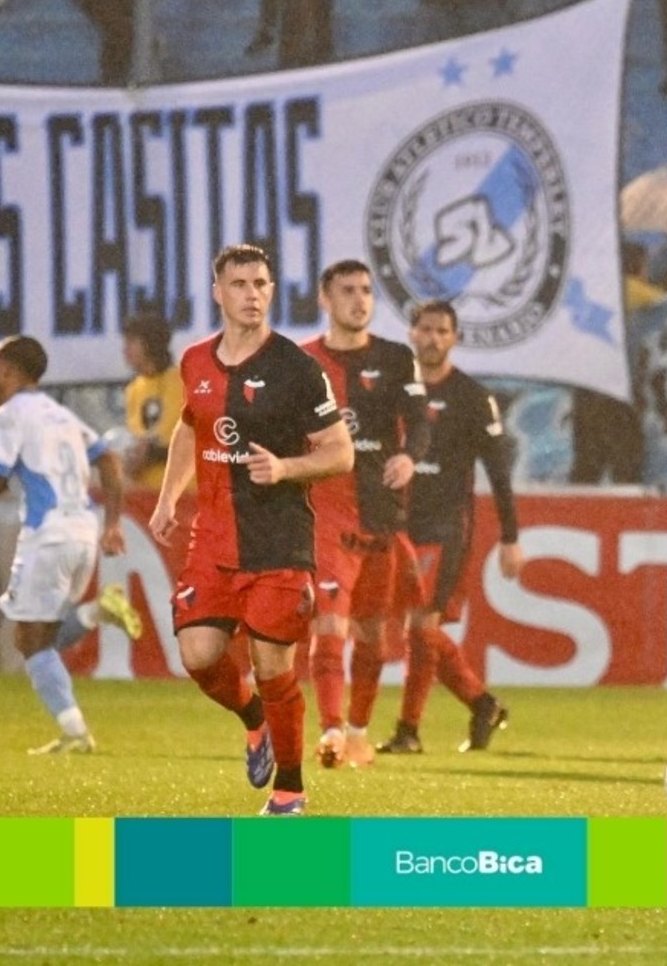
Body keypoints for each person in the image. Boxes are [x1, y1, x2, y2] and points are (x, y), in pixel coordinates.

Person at [148, 244, 354, 816]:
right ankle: (253, 721)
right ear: (217, 291)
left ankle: (289, 788)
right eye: (239, 283)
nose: (251, 294)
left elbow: (341, 452)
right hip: (212, 541)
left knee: (273, 668)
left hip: (279, 542)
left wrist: (287, 468)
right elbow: (191, 429)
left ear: (271, 290)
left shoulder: (297, 369)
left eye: (261, 283)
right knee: (198, 655)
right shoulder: (194, 362)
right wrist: (169, 497)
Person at [376, 300, 523, 756]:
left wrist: (510, 536)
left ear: (455, 337)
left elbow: (499, 472)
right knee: (413, 630)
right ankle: (480, 704)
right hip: (397, 523)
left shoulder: (473, 398)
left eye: (443, 330)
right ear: (412, 334)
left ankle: (411, 730)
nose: (434, 338)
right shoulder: (394, 392)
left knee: (421, 627)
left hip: (445, 525)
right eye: (426, 329)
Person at [301, 260, 428, 770]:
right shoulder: (302, 362)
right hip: (327, 510)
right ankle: (330, 731)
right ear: (324, 300)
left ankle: (356, 733)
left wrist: (409, 456)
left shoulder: (397, 358)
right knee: (329, 624)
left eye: (366, 291)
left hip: (380, 513)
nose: (360, 299)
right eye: (348, 291)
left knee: (374, 633)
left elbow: (420, 421)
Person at [0, 336, 138, 753]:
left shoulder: (7, 416)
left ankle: (76, 734)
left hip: (48, 537)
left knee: (27, 639)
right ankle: (97, 611)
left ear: (6, 368)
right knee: (43, 638)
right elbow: (109, 460)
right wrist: (112, 523)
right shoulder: (60, 414)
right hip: (82, 531)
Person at [571, 242, 662, 485]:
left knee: (587, 461)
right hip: (618, 385)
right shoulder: (643, 294)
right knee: (627, 459)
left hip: (586, 385)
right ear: (640, 266)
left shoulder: (596, 292)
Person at [121, 311, 183, 491]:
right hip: (147, 497)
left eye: (131, 342)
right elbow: (138, 442)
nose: (125, 350)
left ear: (151, 344)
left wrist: (152, 453)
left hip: (185, 496)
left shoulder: (186, 382)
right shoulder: (133, 390)